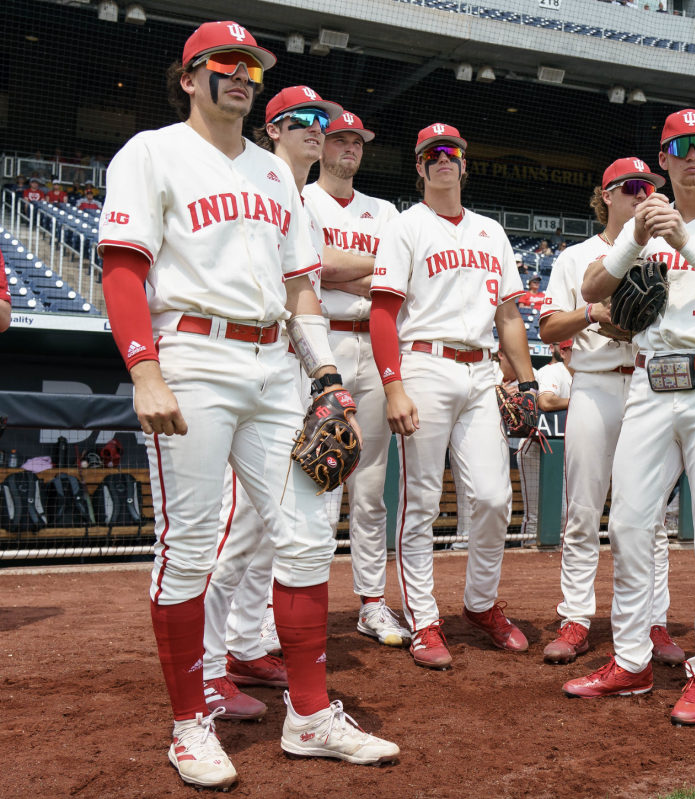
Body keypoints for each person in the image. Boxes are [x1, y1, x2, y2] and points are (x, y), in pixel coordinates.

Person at [98, 23, 399, 789]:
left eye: (253, 67)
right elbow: (125, 271)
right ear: (190, 76)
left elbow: (302, 290)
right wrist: (145, 369)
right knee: (191, 544)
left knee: (302, 537)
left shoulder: (274, 175)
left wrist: (327, 375)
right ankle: (188, 725)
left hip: (275, 365)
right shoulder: (151, 151)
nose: (242, 75)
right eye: (225, 64)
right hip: (192, 354)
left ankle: (309, 716)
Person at [566, 109, 695, 726]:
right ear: (662, 159)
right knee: (630, 522)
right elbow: (591, 287)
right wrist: (636, 235)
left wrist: (685, 243)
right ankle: (631, 660)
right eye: (678, 147)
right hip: (653, 375)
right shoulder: (643, 222)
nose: (691, 156)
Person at [197, 85, 343, 724]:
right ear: (273, 129)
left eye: (324, 121)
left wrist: (321, 379)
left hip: (286, 376)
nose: (319, 129)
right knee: (228, 535)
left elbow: (305, 293)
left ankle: (247, 644)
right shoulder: (249, 183)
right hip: (240, 372)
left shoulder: (296, 198)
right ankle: (205, 672)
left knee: (268, 531)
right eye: (303, 120)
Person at [369, 122, 538, 670]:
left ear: (466, 165)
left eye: (452, 153)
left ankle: (480, 604)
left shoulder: (491, 230)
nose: (444, 160)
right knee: (420, 502)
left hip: (482, 370)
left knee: (493, 499)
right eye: (432, 154)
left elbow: (509, 315)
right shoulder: (405, 226)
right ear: (419, 167)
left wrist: (527, 379)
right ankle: (423, 620)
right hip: (424, 364)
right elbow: (382, 313)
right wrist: (393, 385)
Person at [538, 157, 684, 666]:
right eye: (631, 187)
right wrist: (596, 312)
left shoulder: (669, 253)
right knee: (583, 509)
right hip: (597, 384)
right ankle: (576, 616)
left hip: (652, 385)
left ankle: (654, 620)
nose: (643, 194)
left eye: (650, 187)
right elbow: (550, 328)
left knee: (651, 517)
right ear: (606, 196)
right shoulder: (577, 257)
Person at [301, 110, 410, 648]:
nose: (349, 147)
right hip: (321, 343)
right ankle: (305, 604)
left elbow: (398, 276)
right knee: (316, 480)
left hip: (375, 340)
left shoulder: (386, 209)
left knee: (370, 488)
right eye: (339, 138)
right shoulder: (300, 199)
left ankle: (372, 603)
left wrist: (343, 268)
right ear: (321, 145)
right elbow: (307, 263)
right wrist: (368, 269)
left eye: (357, 141)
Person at [515, 343, 571, 545]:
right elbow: (545, 402)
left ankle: (550, 563)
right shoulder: (553, 371)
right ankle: (528, 562)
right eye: (575, 349)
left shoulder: (584, 375)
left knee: (564, 513)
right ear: (563, 352)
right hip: (535, 449)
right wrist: (577, 400)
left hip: (561, 450)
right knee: (535, 516)